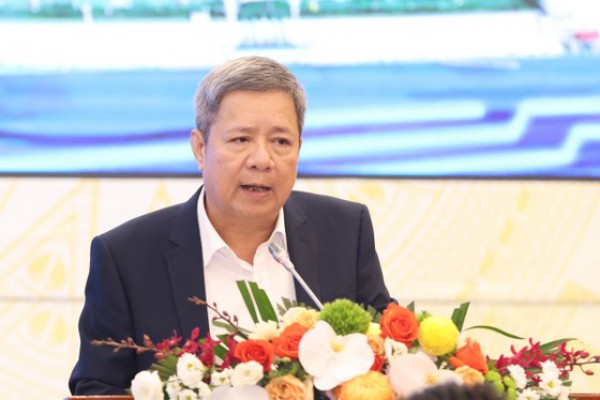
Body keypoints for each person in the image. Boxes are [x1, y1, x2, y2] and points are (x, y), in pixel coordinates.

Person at [69, 56, 392, 395]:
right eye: (241, 140)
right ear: (200, 148)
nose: (262, 160)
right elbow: (97, 389)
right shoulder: (125, 258)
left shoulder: (345, 233)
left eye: (281, 142)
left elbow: (386, 359)